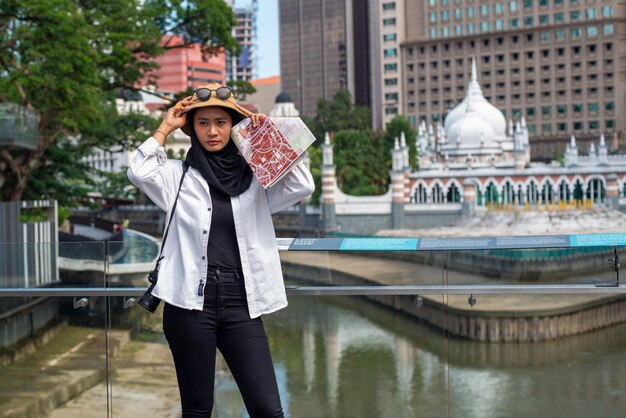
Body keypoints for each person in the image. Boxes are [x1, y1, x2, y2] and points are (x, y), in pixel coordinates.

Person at [127, 83, 314, 417]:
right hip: (189, 304)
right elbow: (139, 170)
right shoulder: (177, 176)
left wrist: (266, 136)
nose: (212, 131)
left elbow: (303, 184)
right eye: (202, 123)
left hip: (242, 302)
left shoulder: (255, 176)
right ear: (193, 129)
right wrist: (165, 126)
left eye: (221, 122)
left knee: (268, 409)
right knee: (198, 410)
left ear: (233, 126)